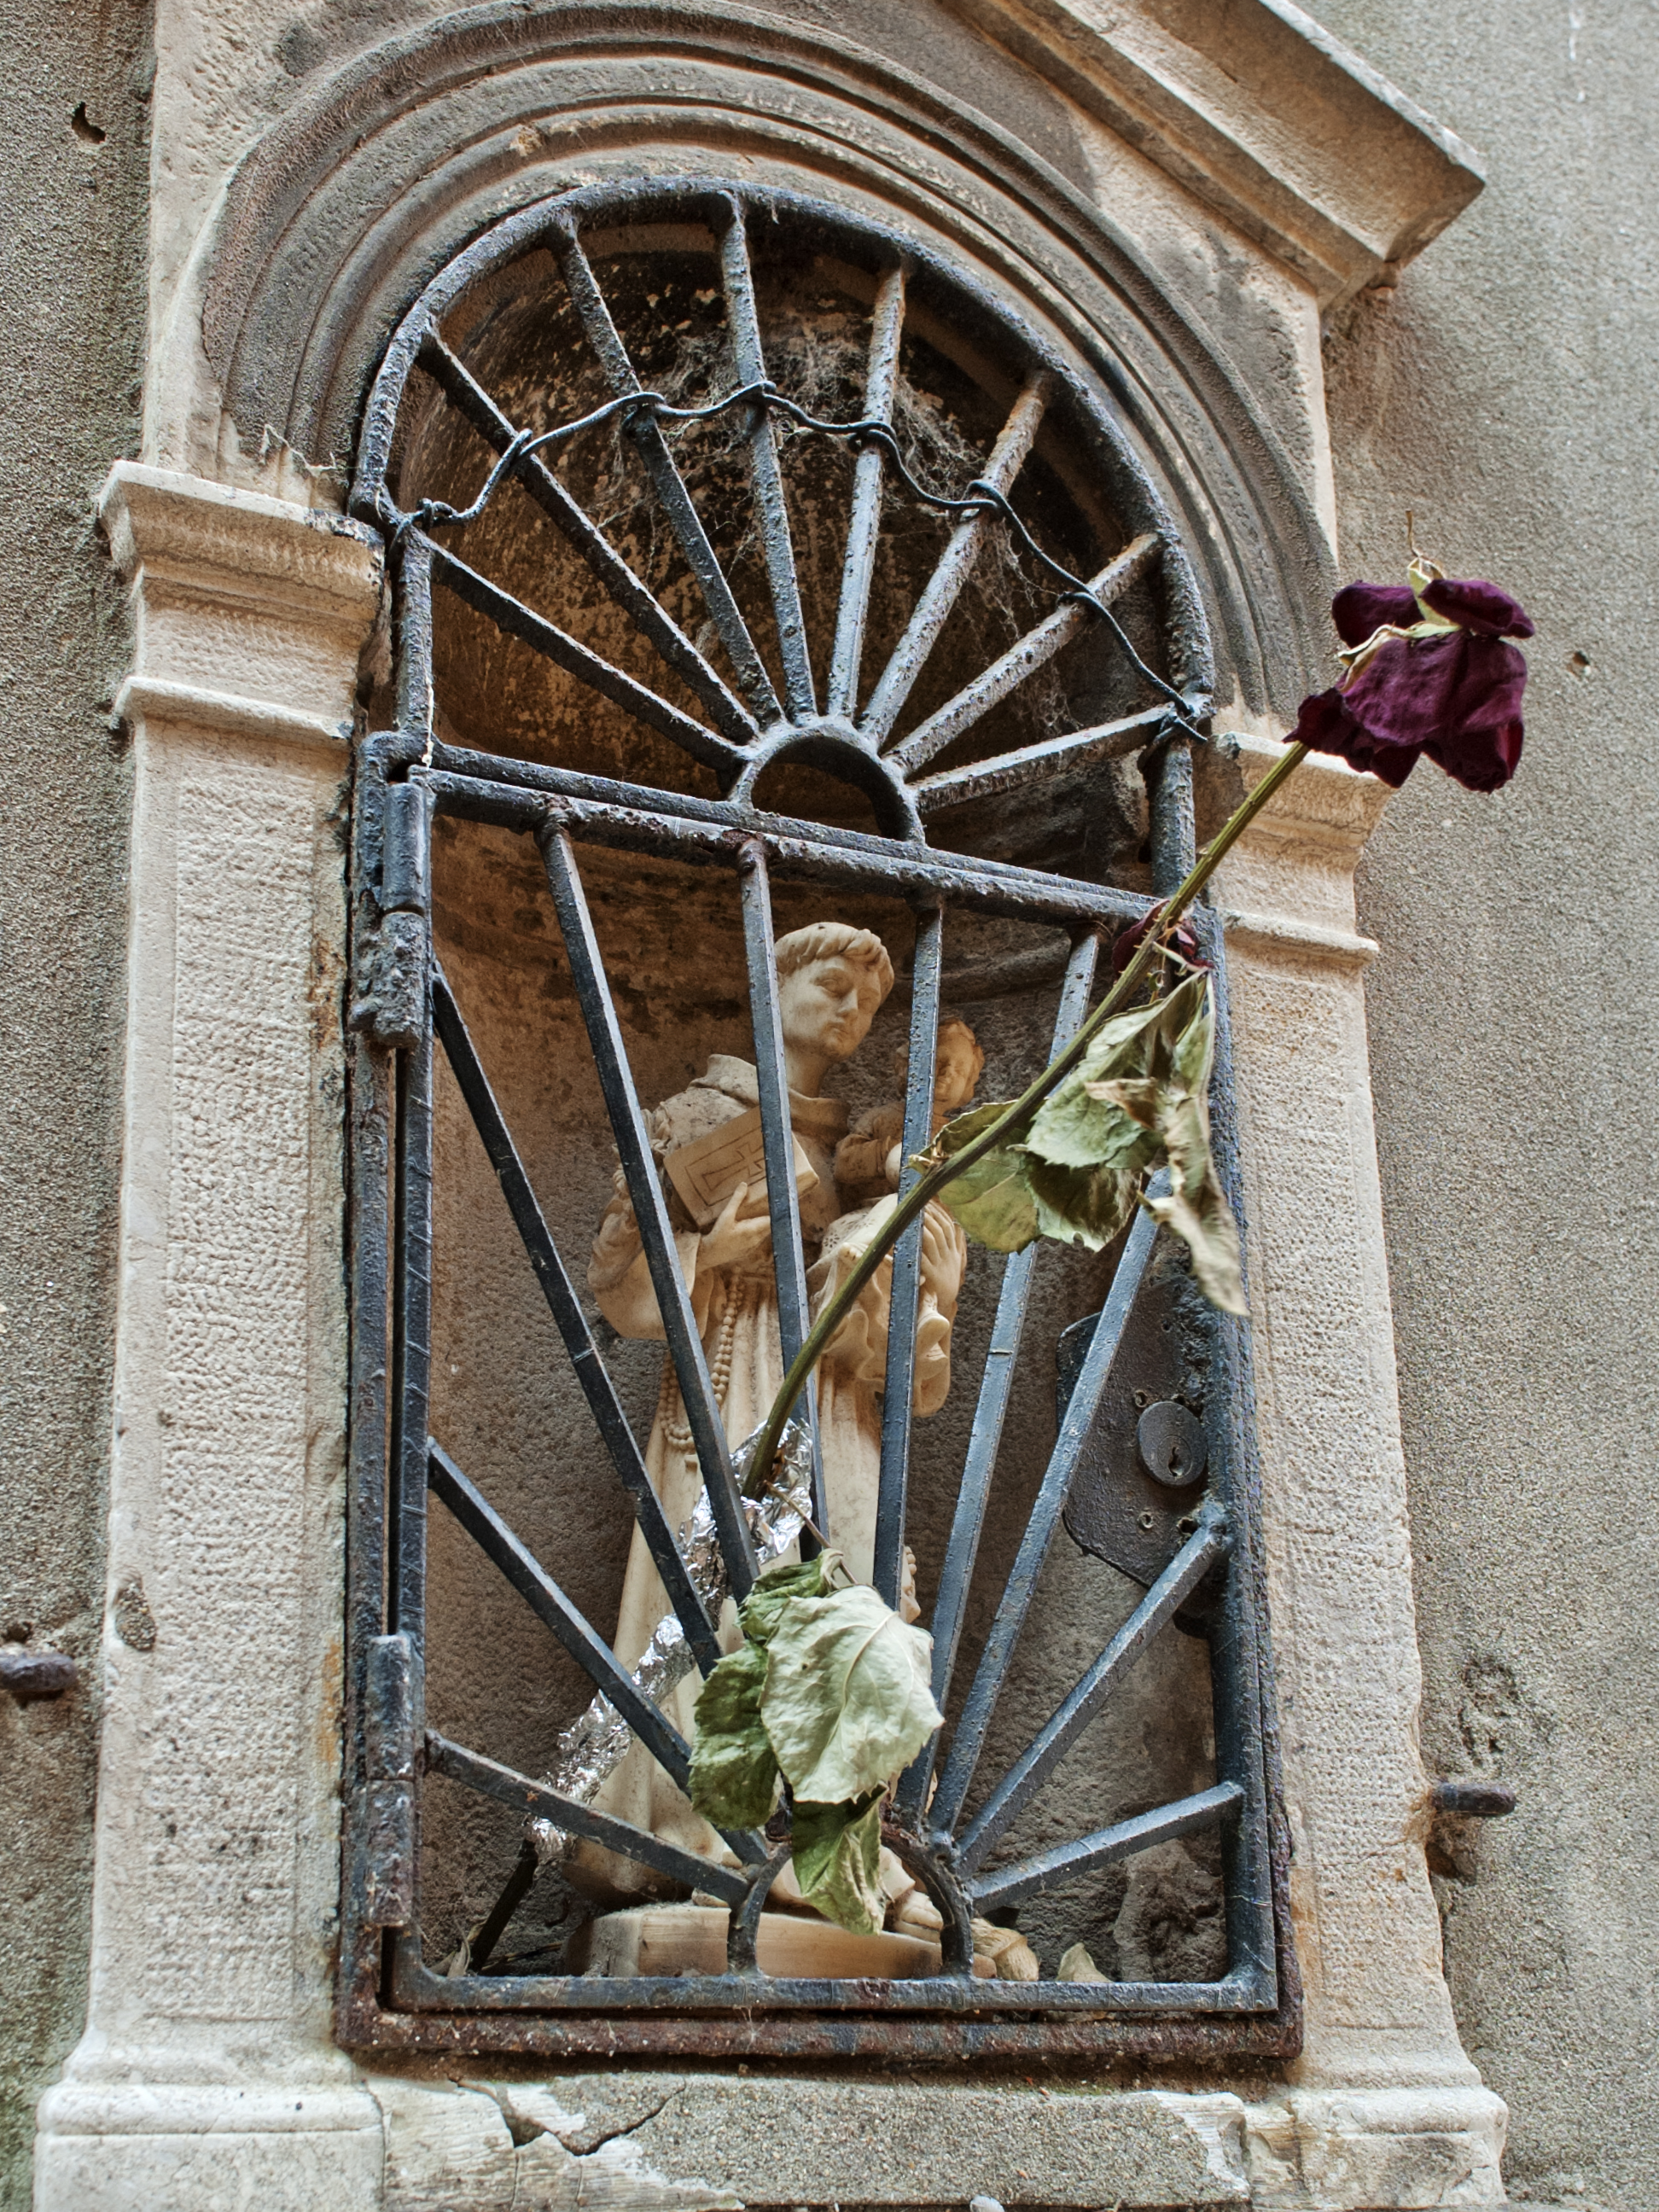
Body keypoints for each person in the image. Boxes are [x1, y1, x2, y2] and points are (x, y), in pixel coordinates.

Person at [578, 923, 969, 1904]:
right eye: (831, 984)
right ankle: (709, 1833)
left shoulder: (858, 1142)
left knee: (852, 1597)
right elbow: (618, 1292)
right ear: (772, 980)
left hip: (833, 1391)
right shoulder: (698, 1115)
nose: (849, 1010)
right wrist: (710, 1257)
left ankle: (835, 1846)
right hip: (734, 1370)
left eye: (868, 1002)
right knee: (728, 1599)